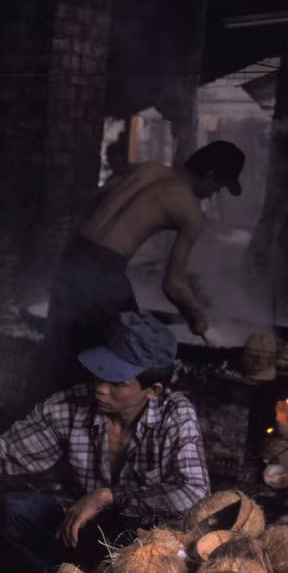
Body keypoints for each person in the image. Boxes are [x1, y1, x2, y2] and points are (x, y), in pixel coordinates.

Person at [0, 312, 209, 573]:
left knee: (166, 569)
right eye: (100, 374)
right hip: (84, 530)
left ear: (153, 390)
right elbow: (6, 450)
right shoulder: (72, 405)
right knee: (13, 512)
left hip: (146, 545)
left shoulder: (175, 414)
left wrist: (108, 496)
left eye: (117, 383)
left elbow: (194, 493)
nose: (100, 389)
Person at [46, 140, 246, 389]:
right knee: (128, 348)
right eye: (217, 188)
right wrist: (198, 318)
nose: (214, 194)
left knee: (63, 348)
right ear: (209, 175)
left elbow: (93, 198)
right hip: (104, 270)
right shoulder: (190, 210)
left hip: (73, 255)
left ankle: (53, 412)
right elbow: (173, 286)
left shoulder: (148, 169)